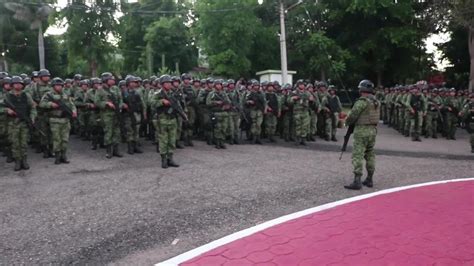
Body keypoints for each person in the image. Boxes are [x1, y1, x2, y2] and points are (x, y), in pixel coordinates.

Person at [344, 80, 380, 190]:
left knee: (358, 155)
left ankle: (357, 180)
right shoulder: (376, 102)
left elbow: (352, 116)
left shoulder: (361, 102)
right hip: (372, 131)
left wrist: (347, 122)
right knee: (370, 154)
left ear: (361, 89)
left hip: (361, 131)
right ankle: (369, 179)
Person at [39, 77, 77, 165]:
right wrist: (51, 104)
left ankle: (64, 155)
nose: (59, 87)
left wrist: (74, 111)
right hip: (55, 120)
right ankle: (57, 156)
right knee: (56, 139)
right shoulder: (49, 95)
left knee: (65, 139)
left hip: (65, 120)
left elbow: (72, 105)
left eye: (60, 85)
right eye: (57, 85)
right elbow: (42, 104)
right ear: (53, 86)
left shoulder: (65, 95)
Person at [4, 76, 37, 171]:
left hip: (24, 123)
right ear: (12, 85)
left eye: (20, 83)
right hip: (12, 123)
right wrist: (7, 110)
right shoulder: (7, 96)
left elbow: (32, 107)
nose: (18, 85)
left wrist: (32, 117)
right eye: (16, 83)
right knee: (15, 143)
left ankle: (24, 160)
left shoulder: (26, 95)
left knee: (23, 143)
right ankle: (17, 161)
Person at [150, 75, 181, 168]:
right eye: (166, 83)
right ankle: (163, 159)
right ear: (162, 84)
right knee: (163, 140)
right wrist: (161, 101)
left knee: (172, 140)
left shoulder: (174, 93)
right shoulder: (158, 94)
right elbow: (151, 103)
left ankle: (170, 158)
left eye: (169, 83)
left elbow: (178, 105)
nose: (169, 84)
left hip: (172, 119)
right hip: (162, 120)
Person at [94, 72, 124, 159]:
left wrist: (120, 106)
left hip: (116, 113)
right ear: (106, 80)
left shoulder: (115, 89)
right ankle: (109, 151)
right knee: (108, 132)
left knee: (117, 132)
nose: (113, 80)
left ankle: (116, 150)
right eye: (111, 79)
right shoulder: (100, 90)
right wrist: (106, 103)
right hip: (107, 114)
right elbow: (96, 102)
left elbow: (120, 99)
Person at [206, 79, 231, 149]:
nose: (219, 86)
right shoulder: (211, 93)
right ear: (215, 85)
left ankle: (222, 142)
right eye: (217, 84)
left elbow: (229, 101)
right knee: (217, 128)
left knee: (224, 128)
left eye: (220, 85)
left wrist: (226, 105)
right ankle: (217, 142)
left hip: (224, 113)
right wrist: (216, 102)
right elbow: (208, 103)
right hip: (216, 113)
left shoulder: (224, 93)